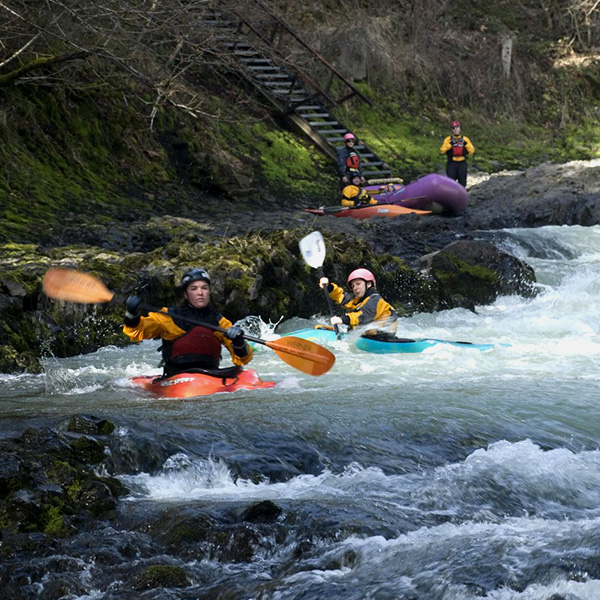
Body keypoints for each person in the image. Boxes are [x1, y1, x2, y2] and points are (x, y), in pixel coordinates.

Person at [123, 268, 252, 377]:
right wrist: (131, 314)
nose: (200, 293)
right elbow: (136, 332)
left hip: (211, 375)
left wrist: (238, 342)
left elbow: (243, 359)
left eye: (204, 288)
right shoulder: (168, 316)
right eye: (194, 289)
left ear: (209, 292)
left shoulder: (220, 322)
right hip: (176, 376)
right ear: (186, 294)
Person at [318, 268, 397, 332]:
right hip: (365, 335)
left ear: (369, 284)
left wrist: (343, 319)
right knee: (319, 328)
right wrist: (328, 287)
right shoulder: (357, 300)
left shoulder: (376, 300)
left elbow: (363, 316)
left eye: (358, 284)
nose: (355, 288)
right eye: (353, 286)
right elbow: (342, 297)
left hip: (382, 337)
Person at [440, 120, 475, 187]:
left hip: (462, 163)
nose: (456, 130)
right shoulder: (448, 139)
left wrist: (465, 144)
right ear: (452, 130)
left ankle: (461, 195)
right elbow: (442, 151)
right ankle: (451, 195)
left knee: (462, 181)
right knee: (450, 182)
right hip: (451, 163)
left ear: (460, 129)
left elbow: (471, 151)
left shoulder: (465, 139)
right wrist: (450, 144)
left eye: (457, 127)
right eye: (454, 128)